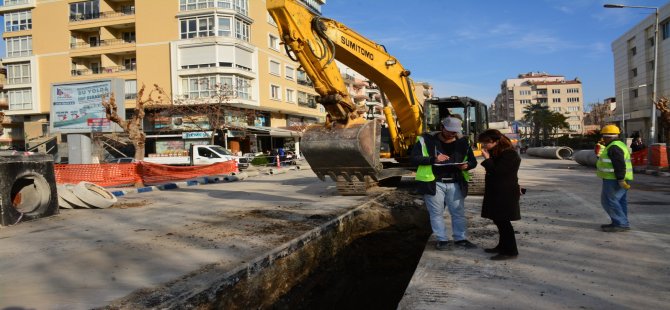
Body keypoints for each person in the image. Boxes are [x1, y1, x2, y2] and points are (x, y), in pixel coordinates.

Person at [411, 117, 478, 251]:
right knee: (436, 213)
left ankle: (460, 239)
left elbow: (473, 161)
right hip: (434, 182)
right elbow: (414, 158)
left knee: (458, 213)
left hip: (455, 182)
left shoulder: (463, 142)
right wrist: (433, 159)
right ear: (442, 127)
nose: (451, 134)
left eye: (454, 132)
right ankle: (442, 240)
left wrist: (467, 165)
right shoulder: (426, 141)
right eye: (449, 131)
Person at [478, 129, 522, 261]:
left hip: (505, 193)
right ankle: (502, 246)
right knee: (498, 220)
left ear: (497, 141)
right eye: (483, 143)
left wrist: (487, 159)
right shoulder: (498, 152)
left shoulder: (509, 154)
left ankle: (510, 251)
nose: (484, 146)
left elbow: (498, 172)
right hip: (497, 192)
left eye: (486, 143)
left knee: (504, 222)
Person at [596, 124, 633, 232]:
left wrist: (620, 179)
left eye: (603, 136)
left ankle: (621, 223)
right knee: (619, 201)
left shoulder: (614, 147)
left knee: (608, 201)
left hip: (615, 179)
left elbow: (619, 164)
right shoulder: (619, 144)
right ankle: (620, 222)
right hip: (618, 178)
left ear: (606, 136)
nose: (602, 139)